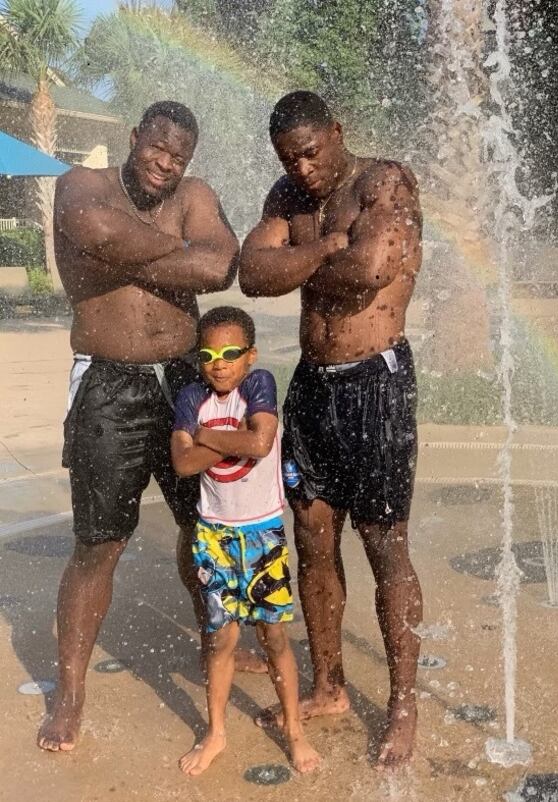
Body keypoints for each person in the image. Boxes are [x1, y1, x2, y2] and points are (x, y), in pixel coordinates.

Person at [37, 101, 245, 753]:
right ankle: (69, 695)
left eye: (178, 156)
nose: (165, 164)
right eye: (157, 148)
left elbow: (217, 268)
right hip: (110, 382)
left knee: (206, 524)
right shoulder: (81, 185)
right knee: (99, 543)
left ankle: (217, 642)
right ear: (134, 138)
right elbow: (97, 232)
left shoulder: (196, 194)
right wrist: (177, 251)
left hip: (185, 380)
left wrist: (129, 252)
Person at [239, 91, 423, 768]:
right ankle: (330, 687)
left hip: (375, 380)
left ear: (337, 133)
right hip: (313, 385)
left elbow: (370, 270)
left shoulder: (385, 182)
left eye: (312, 152)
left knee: (383, 542)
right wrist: (324, 247)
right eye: (291, 158)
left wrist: (307, 258)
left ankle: (403, 704)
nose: (304, 169)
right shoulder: (285, 196)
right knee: (313, 539)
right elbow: (253, 275)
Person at [171, 306, 320, 775]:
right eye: (209, 354)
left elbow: (259, 444)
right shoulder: (192, 395)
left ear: (249, 356)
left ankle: (294, 731)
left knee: (274, 637)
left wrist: (203, 438)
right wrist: (220, 437)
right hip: (214, 534)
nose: (219, 363)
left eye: (230, 353)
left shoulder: (259, 385)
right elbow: (181, 463)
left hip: (261, 533)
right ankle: (215, 732)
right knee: (219, 640)